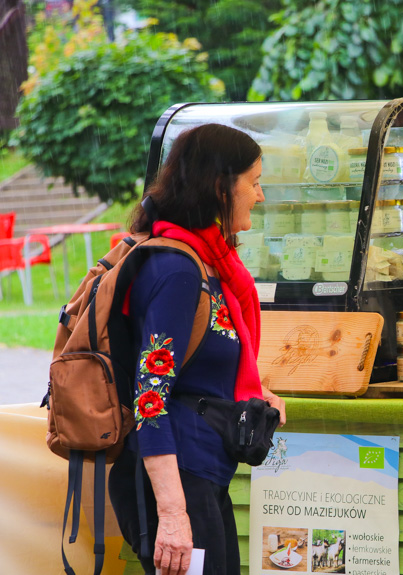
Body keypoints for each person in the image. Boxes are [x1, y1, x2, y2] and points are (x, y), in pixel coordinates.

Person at [108, 123, 286, 575]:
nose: (259, 196)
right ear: (220, 187)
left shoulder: (209, 263)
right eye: (254, 182)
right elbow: (150, 400)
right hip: (175, 484)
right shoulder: (177, 271)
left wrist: (252, 392)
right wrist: (172, 514)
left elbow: (195, 366)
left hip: (200, 476)